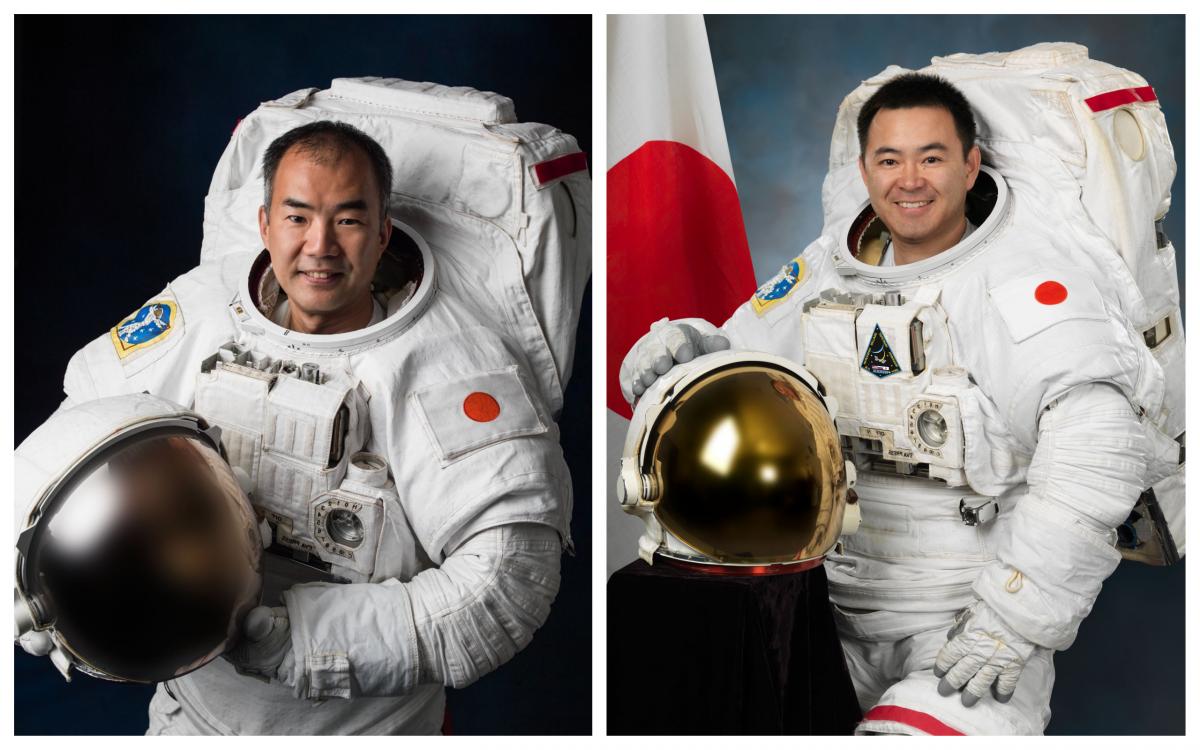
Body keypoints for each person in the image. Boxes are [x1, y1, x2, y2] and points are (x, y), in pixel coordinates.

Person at [620, 72, 1178, 735]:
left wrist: (1013, 620)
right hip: (818, 610)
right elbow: (744, 362)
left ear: (971, 165)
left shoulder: (1023, 285)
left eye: (931, 157)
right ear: (864, 169)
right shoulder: (832, 265)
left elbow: (1100, 450)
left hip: (965, 630)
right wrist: (682, 354)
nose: (908, 179)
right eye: (889, 159)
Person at [17, 121, 573, 735]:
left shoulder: (452, 363)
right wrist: (28, 555)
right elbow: (84, 416)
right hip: (193, 720)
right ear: (265, 225)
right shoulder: (205, 310)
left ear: (384, 233)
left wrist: (303, 643)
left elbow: (507, 582)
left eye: (349, 220)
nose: (320, 246)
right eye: (298, 216)